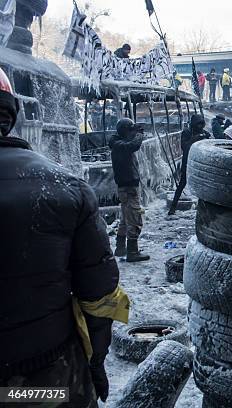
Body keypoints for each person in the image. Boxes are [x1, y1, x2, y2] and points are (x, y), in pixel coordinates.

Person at [0, 67, 128, 406]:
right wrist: (97, 361)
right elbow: (101, 297)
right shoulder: (64, 186)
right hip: (43, 379)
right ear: (12, 115)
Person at [109, 118, 150, 262]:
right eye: (130, 130)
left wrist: (134, 132)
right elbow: (134, 145)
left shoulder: (118, 143)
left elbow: (131, 143)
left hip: (125, 188)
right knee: (134, 219)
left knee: (125, 219)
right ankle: (133, 252)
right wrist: (138, 134)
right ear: (126, 131)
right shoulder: (120, 145)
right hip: (129, 187)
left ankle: (120, 248)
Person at [168, 114, 210, 215]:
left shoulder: (203, 133)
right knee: (182, 183)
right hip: (188, 161)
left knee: (202, 185)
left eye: (201, 124)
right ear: (193, 124)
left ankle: (203, 208)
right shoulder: (187, 132)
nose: (200, 127)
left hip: (200, 162)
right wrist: (196, 138)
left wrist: (205, 137)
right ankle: (173, 208)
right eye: (198, 124)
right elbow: (185, 147)